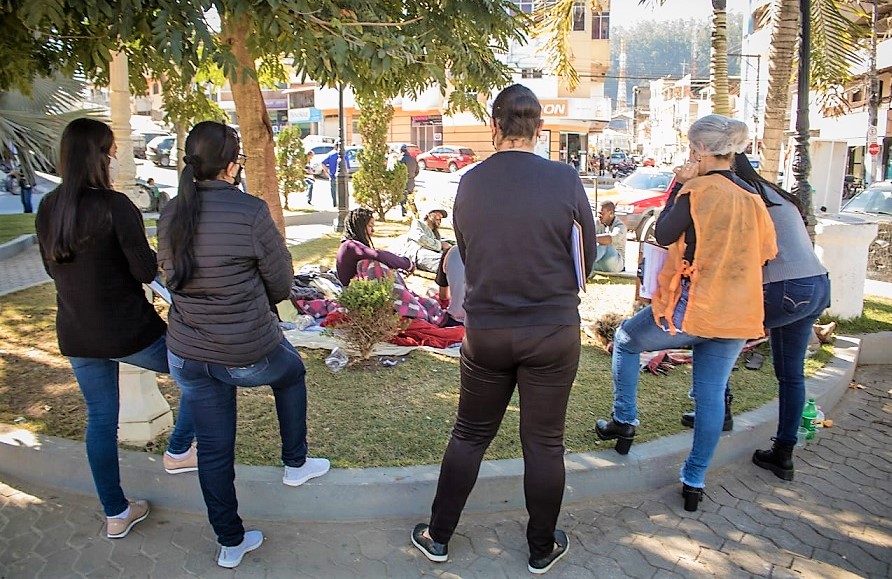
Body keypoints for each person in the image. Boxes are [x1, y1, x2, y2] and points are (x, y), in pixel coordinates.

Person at [411, 84, 596, 575]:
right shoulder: (564, 178)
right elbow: (587, 259)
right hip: (553, 330)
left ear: (494, 127)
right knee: (545, 442)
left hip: (488, 329)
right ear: (539, 128)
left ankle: (438, 535)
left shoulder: (469, 182)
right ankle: (541, 547)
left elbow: (467, 253)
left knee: (470, 434)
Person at [157, 121, 329, 569]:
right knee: (291, 372)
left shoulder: (171, 210)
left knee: (214, 449)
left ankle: (231, 543)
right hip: (242, 354)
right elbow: (282, 283)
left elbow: (168, 273)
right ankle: (295, 463)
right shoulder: (250, 212)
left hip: (187, 355)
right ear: (233, 165)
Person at [594, 114, 777, 513]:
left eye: (692, 147)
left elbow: (662, 234)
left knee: (625, 339)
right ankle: (693, 480)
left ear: (700, 150)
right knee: (711, 395)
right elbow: (766, 252)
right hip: (737, 311)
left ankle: (624, 420)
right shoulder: (752, 196)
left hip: (692, 307)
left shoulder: (697, 190)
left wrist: (680, 182)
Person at [34, 118, 196, 541]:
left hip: (76, 332)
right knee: (201, 372)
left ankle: (116, 513)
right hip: (128, 331)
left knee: (100, 421)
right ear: (99, 155)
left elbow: (52, 269)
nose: (116, 155)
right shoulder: (115, 205)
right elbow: (144, 270)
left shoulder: (49, 206)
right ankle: (179, 450)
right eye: (110, 149)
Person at [733, 153, 831, 480]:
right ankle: (783, 454)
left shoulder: (743, 196)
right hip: (817, 284)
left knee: (716, 334)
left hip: (786, 287)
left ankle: (719, 411)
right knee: (791, 375)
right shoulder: (774, 193)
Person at [336, 207, 414, 286]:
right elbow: (378, 255)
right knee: (375, 264)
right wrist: (407, 264)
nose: (373, 231)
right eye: (370, 226)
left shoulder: (349, 245)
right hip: (354, 293)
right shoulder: (350, 245)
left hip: (359, 289)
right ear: (359, 227)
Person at [401, 202, 452, 300]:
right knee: (443, 262)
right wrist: (440, 245)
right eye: (438, 214)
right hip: (418, 253)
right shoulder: (418, 223)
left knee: (449, 257)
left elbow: (443, 241)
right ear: (429, 214)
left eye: (441, 217)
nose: (440, 218)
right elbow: (421, 238)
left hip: (430, 253)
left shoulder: (436, 233)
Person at [590, 200, 626, 273]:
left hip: (615, 263)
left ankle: (585, 263)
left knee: (604, 244)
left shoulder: (621, 226)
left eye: (601, 213)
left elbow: (610, 239)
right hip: (600, 262)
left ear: (611, 213)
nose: (599, 216)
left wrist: (591, 238)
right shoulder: (597, 222)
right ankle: (586, 265)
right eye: (598, 213)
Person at [399, 144, 419, 216]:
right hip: (411, 182)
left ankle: (404, 215)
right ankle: (416, 214)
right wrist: (412, 177)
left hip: (404, 182)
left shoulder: (401, 159)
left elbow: (399, 172)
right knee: (411, 199)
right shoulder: (413, 159)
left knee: (403, 200)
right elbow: (417, 171)